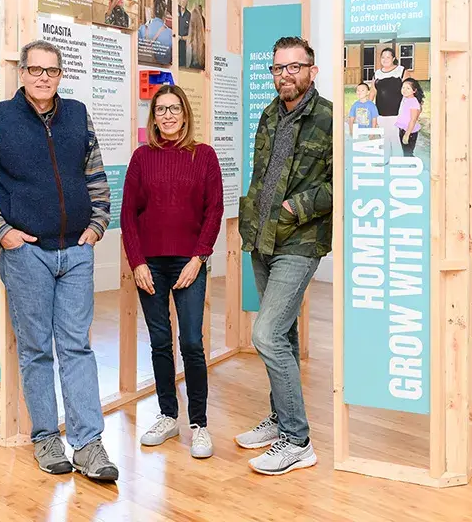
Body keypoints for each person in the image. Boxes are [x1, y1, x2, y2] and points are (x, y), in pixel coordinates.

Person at [0, 39, 119, 482]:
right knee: (35, 351)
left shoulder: (77, 114)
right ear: (23, 73)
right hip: (27, 254)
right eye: (35, 70)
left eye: (51, 70)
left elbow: (96, 175)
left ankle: (89, 445)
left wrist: (97, 226)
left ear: (60, 75)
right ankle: (46, 437)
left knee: (77, 347)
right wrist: (5, 235)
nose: (43, 77)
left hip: (76, 251)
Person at [236, 36, 332, 476]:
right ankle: (280, 421)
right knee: (285, 336)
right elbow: (263, 177)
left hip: (301, 240)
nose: (285, 75)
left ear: (312, 70)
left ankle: (298, 441)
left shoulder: (329, 117)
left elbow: (339, 184)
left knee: (267, 334)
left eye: (294, 67)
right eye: (278, 68)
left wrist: (298, 207)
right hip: (262, 238)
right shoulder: (270, 114)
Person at [121, 85, 224, 460]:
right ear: (153, 117)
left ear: (185, 113)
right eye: (160, 109)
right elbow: (128, 214)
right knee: (160, 343)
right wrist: (136, 262)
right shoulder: (141, 158)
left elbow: (214, 211)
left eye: (174, 108)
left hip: (189, 263)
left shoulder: (205, 155)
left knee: (192, 344)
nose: (167, 115)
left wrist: (199, 258)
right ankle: (168, 415)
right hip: (150, 264)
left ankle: (199, 424)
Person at [373, 47, 410, 162]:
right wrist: (368, 109)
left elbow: (409, 89)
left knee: (394, 137)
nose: (385, 59)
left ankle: (398, 161)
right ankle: (385, 159)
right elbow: (373, 91)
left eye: (388, 57)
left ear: (393, 58)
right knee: (384, 137)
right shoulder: (377, 73)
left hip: (397, 111)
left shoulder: (401, 70)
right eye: (383, 57)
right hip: (380, 112)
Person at [396, 77, 424, 157]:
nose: (404, 90)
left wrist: (407, 134)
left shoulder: (413, 101)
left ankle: (412, 166)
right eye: (403, 87)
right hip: (403, 129)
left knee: (408, 153)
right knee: (405, 151)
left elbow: (413, 119)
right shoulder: (405, 98)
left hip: (410, 131)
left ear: (414, 90)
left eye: (408, 88)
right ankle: (408, 166)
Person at [177, 0, 190, 65]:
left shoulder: (189, 15)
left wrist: (181, 38)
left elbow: (191, 36)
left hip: (183, 49)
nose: (183, 1)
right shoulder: (174, 10)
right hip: (173, 48)